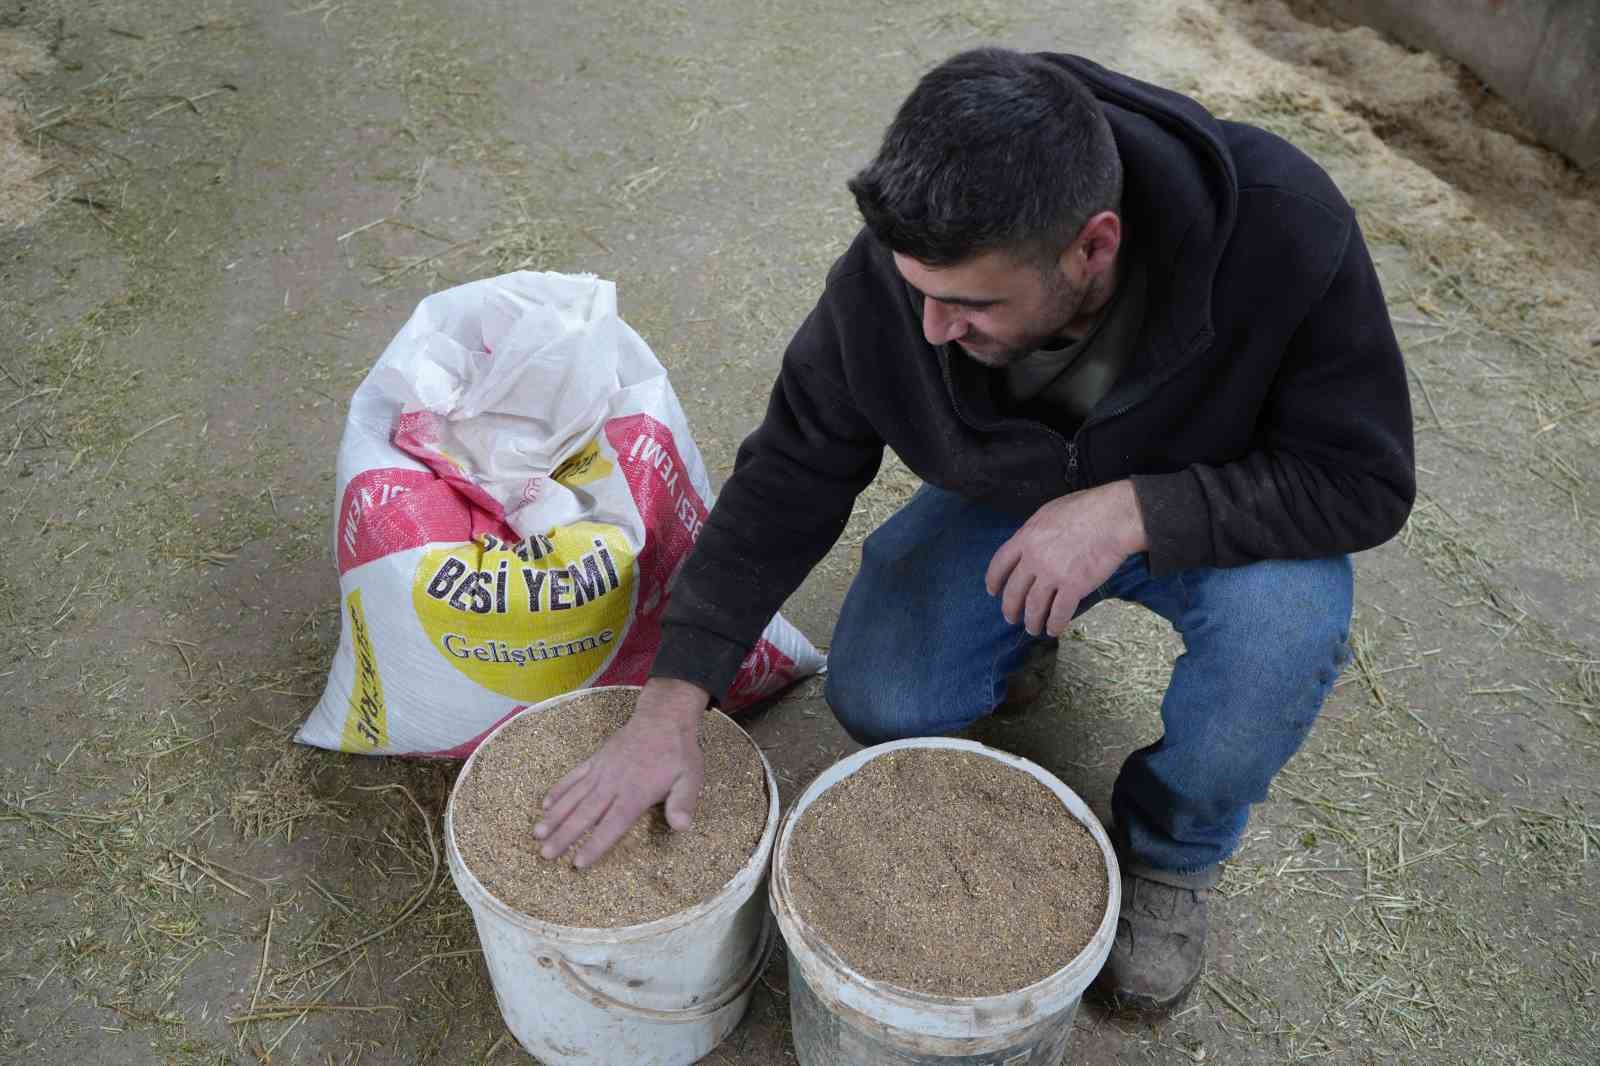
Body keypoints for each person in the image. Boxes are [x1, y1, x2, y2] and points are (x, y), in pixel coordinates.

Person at [534, 47, 1414, 1012]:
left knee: (1285, 635)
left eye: (970, 304)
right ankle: (1027, 631)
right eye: (919, 289)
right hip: (1015, 497)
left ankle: (1171, 854)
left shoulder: (1286, 229)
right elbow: (793, 469)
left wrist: (1132, 511)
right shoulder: (901, 278)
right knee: (882, 695)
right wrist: (672, 700)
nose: (931, 330)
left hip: (1223, 517)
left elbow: (1362, 481)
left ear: (1094, 247)